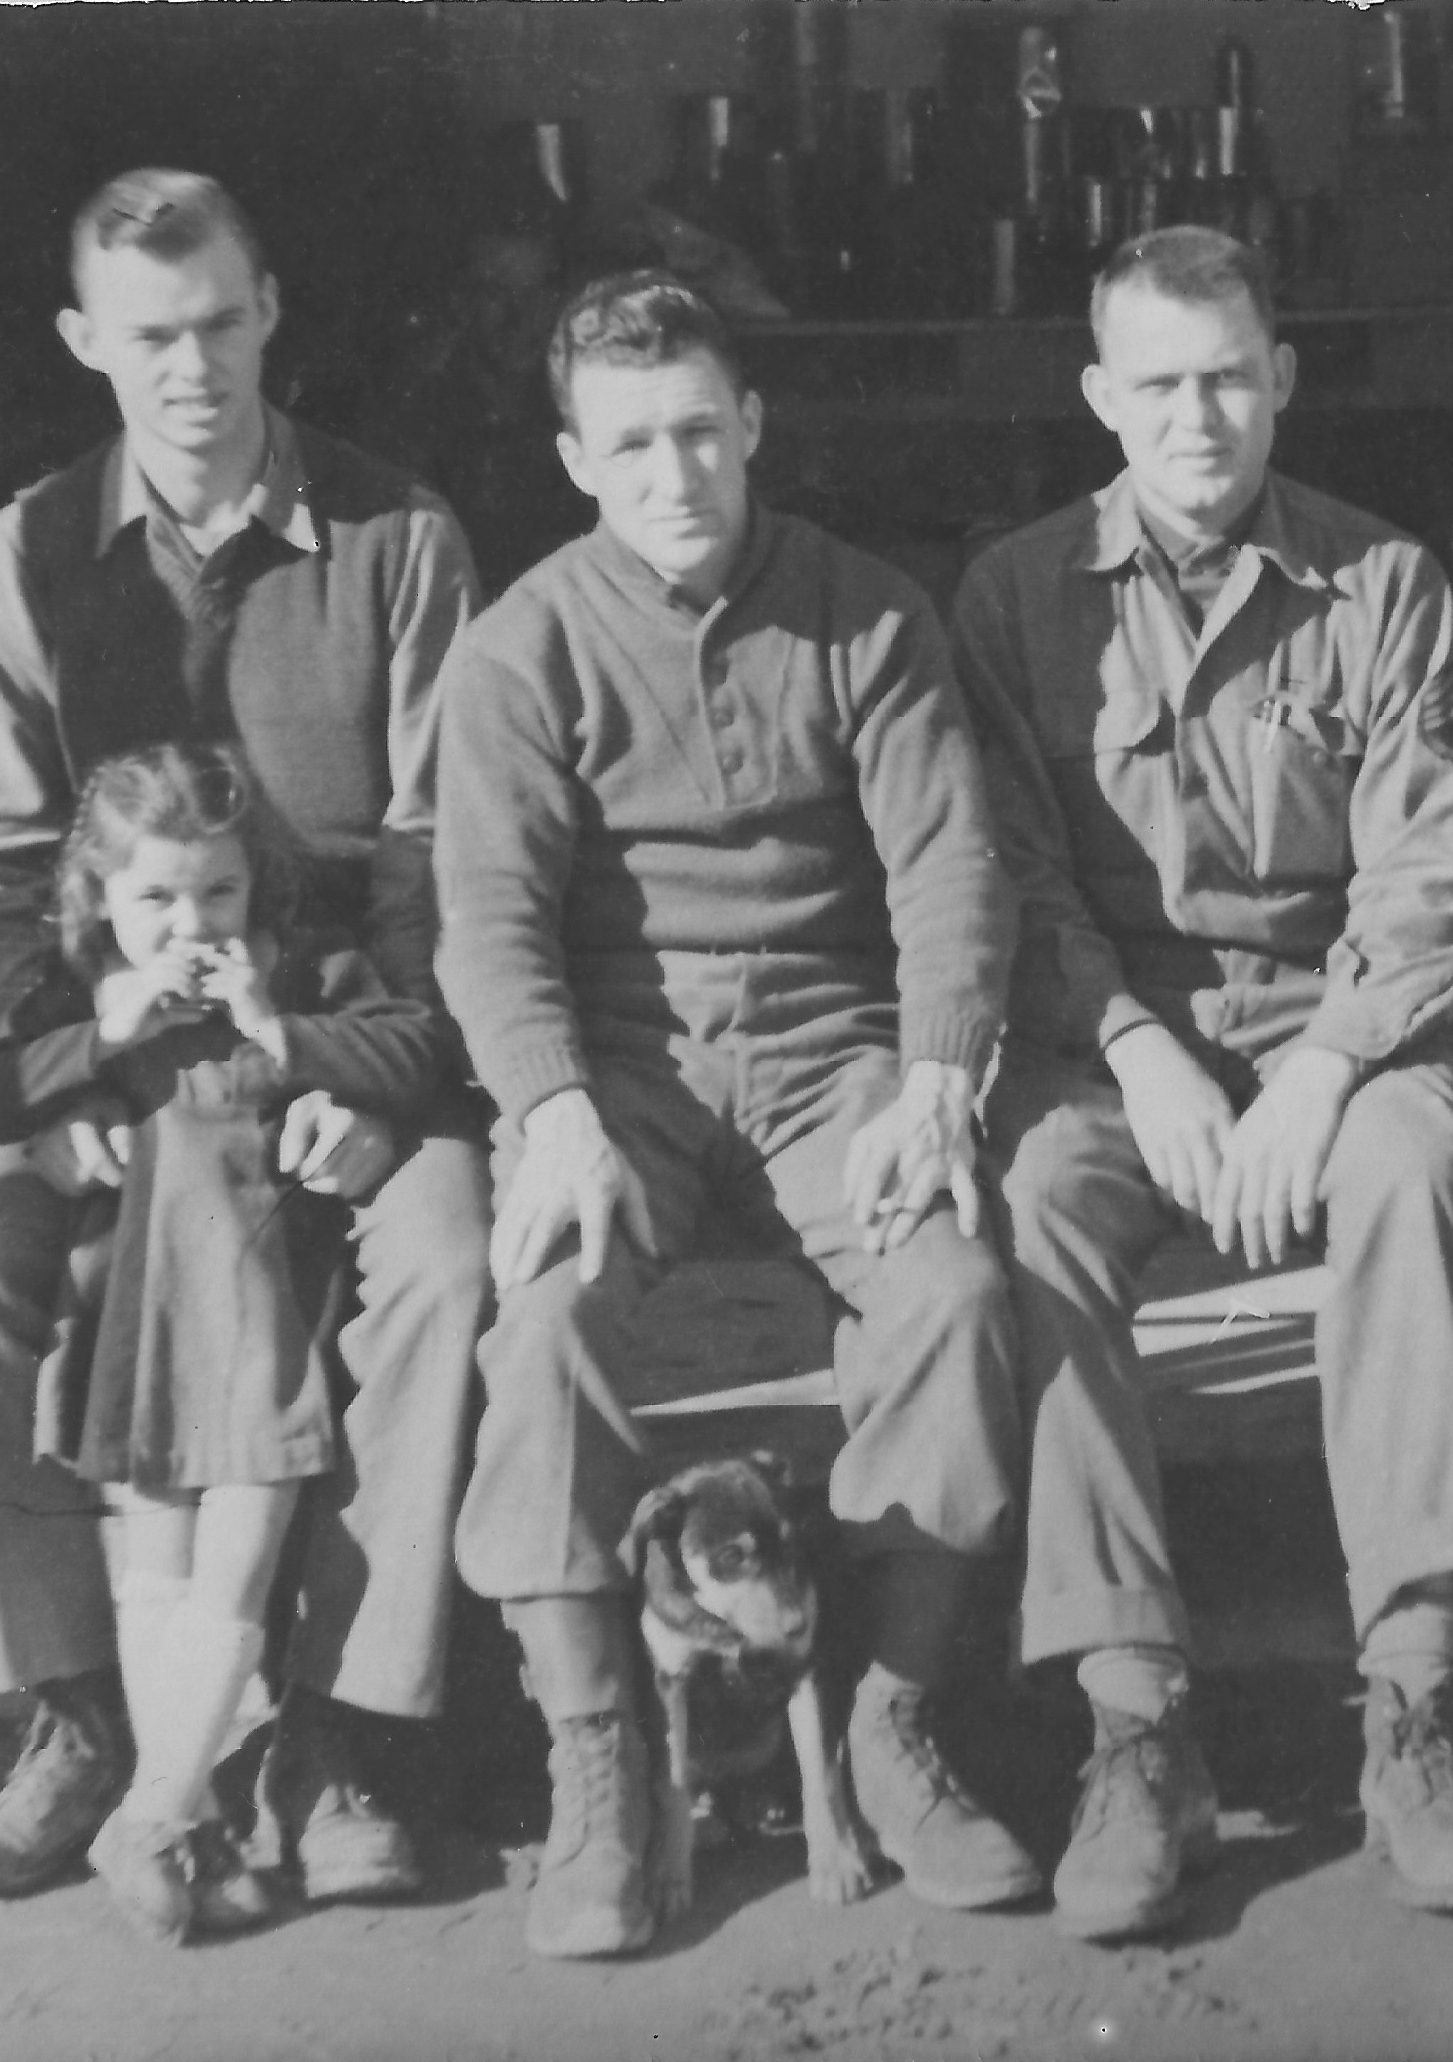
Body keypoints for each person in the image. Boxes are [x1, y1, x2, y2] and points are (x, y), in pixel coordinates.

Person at [0, 169, 488, 1908]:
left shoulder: (401, 541)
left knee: (440, 1267)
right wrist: (76, 1080)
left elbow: (450, 856)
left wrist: (377, 1081)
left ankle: (351, 1733)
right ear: (88, 343)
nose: (196, 367)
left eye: (223, 322)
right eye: (153, 336)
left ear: (273, 308)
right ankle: (79, 1715)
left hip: (347, 1051)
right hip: (111, 1058)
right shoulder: (27, 553)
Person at [433, 270, 1030, 1959]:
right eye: (632, 444)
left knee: (960, 1295)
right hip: (622, 1067)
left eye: (702, 431)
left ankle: (895, 1720)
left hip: (835, 1046)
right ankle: (603, 1757)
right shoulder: (523, 648)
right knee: (541, 1326)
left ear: (753, 424)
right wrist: (548, 1108)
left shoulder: (866, 612)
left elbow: (946, 862)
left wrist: (936, 1071)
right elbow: (488, 919)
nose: (675, 474)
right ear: (574, 458)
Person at [957, 226, 1453, 1939]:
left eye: (1228, 375)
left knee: (1421, 1174)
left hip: (1344, 1033)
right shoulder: (1013, 595)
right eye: (1158, 384)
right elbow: (1008, 873)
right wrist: (1137, 1047)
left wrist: (1327, 1071)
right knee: (1038, 1208)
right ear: (1098, 398)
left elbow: (1435, 877)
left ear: (1279, 375)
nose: (1197, 416)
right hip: (1113, 1042)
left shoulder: (1384, 583)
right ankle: (1136, 1723)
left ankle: (1417, 1697)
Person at [0, 743, 454, 1942]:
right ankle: (173, 1822)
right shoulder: (93, 988)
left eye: (218, 895)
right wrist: (98, 1035)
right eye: (155, 900)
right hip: (142, 1324)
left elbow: (420, 1050)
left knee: (238, 1557)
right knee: (160, 1573)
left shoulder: (303, 973)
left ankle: (158, 1809)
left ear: (258, 886)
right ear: (100, 899)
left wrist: (277, 1027)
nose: (190, 924)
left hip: (265, 1321)